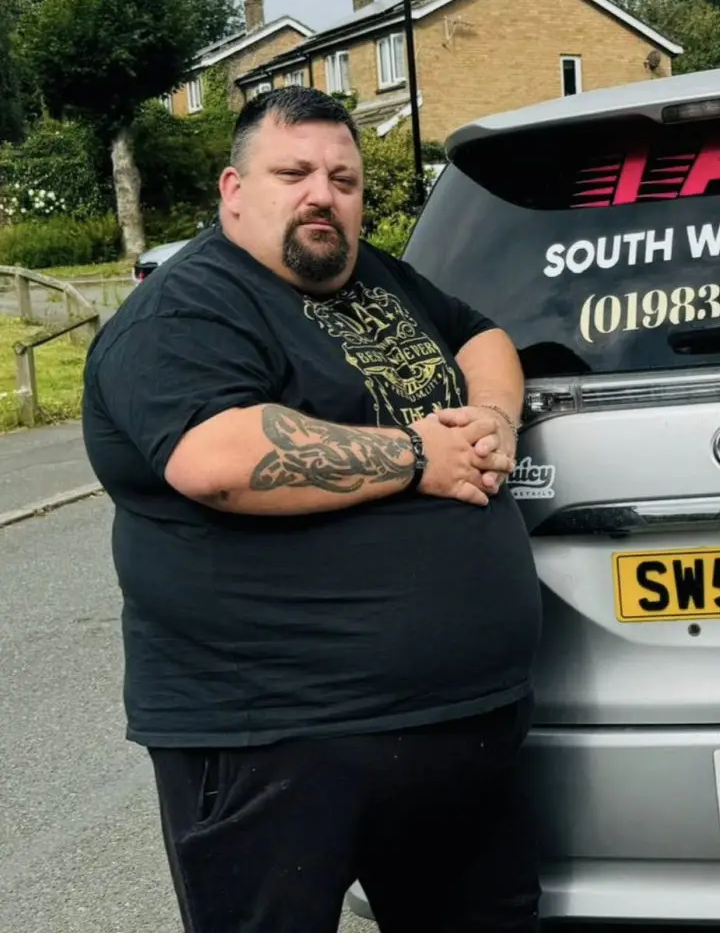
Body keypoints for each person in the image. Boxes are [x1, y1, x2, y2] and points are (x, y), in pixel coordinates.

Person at [80, 86, 545, 932]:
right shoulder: (190, 307)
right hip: (278, 739)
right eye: (293, 172)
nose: (321, 194)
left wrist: (493, 414)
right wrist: (418, 455)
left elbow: (479, 333)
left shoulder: (371, 276)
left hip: (458, 727)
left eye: (343, 177)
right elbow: (218, 460)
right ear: (233, 189)